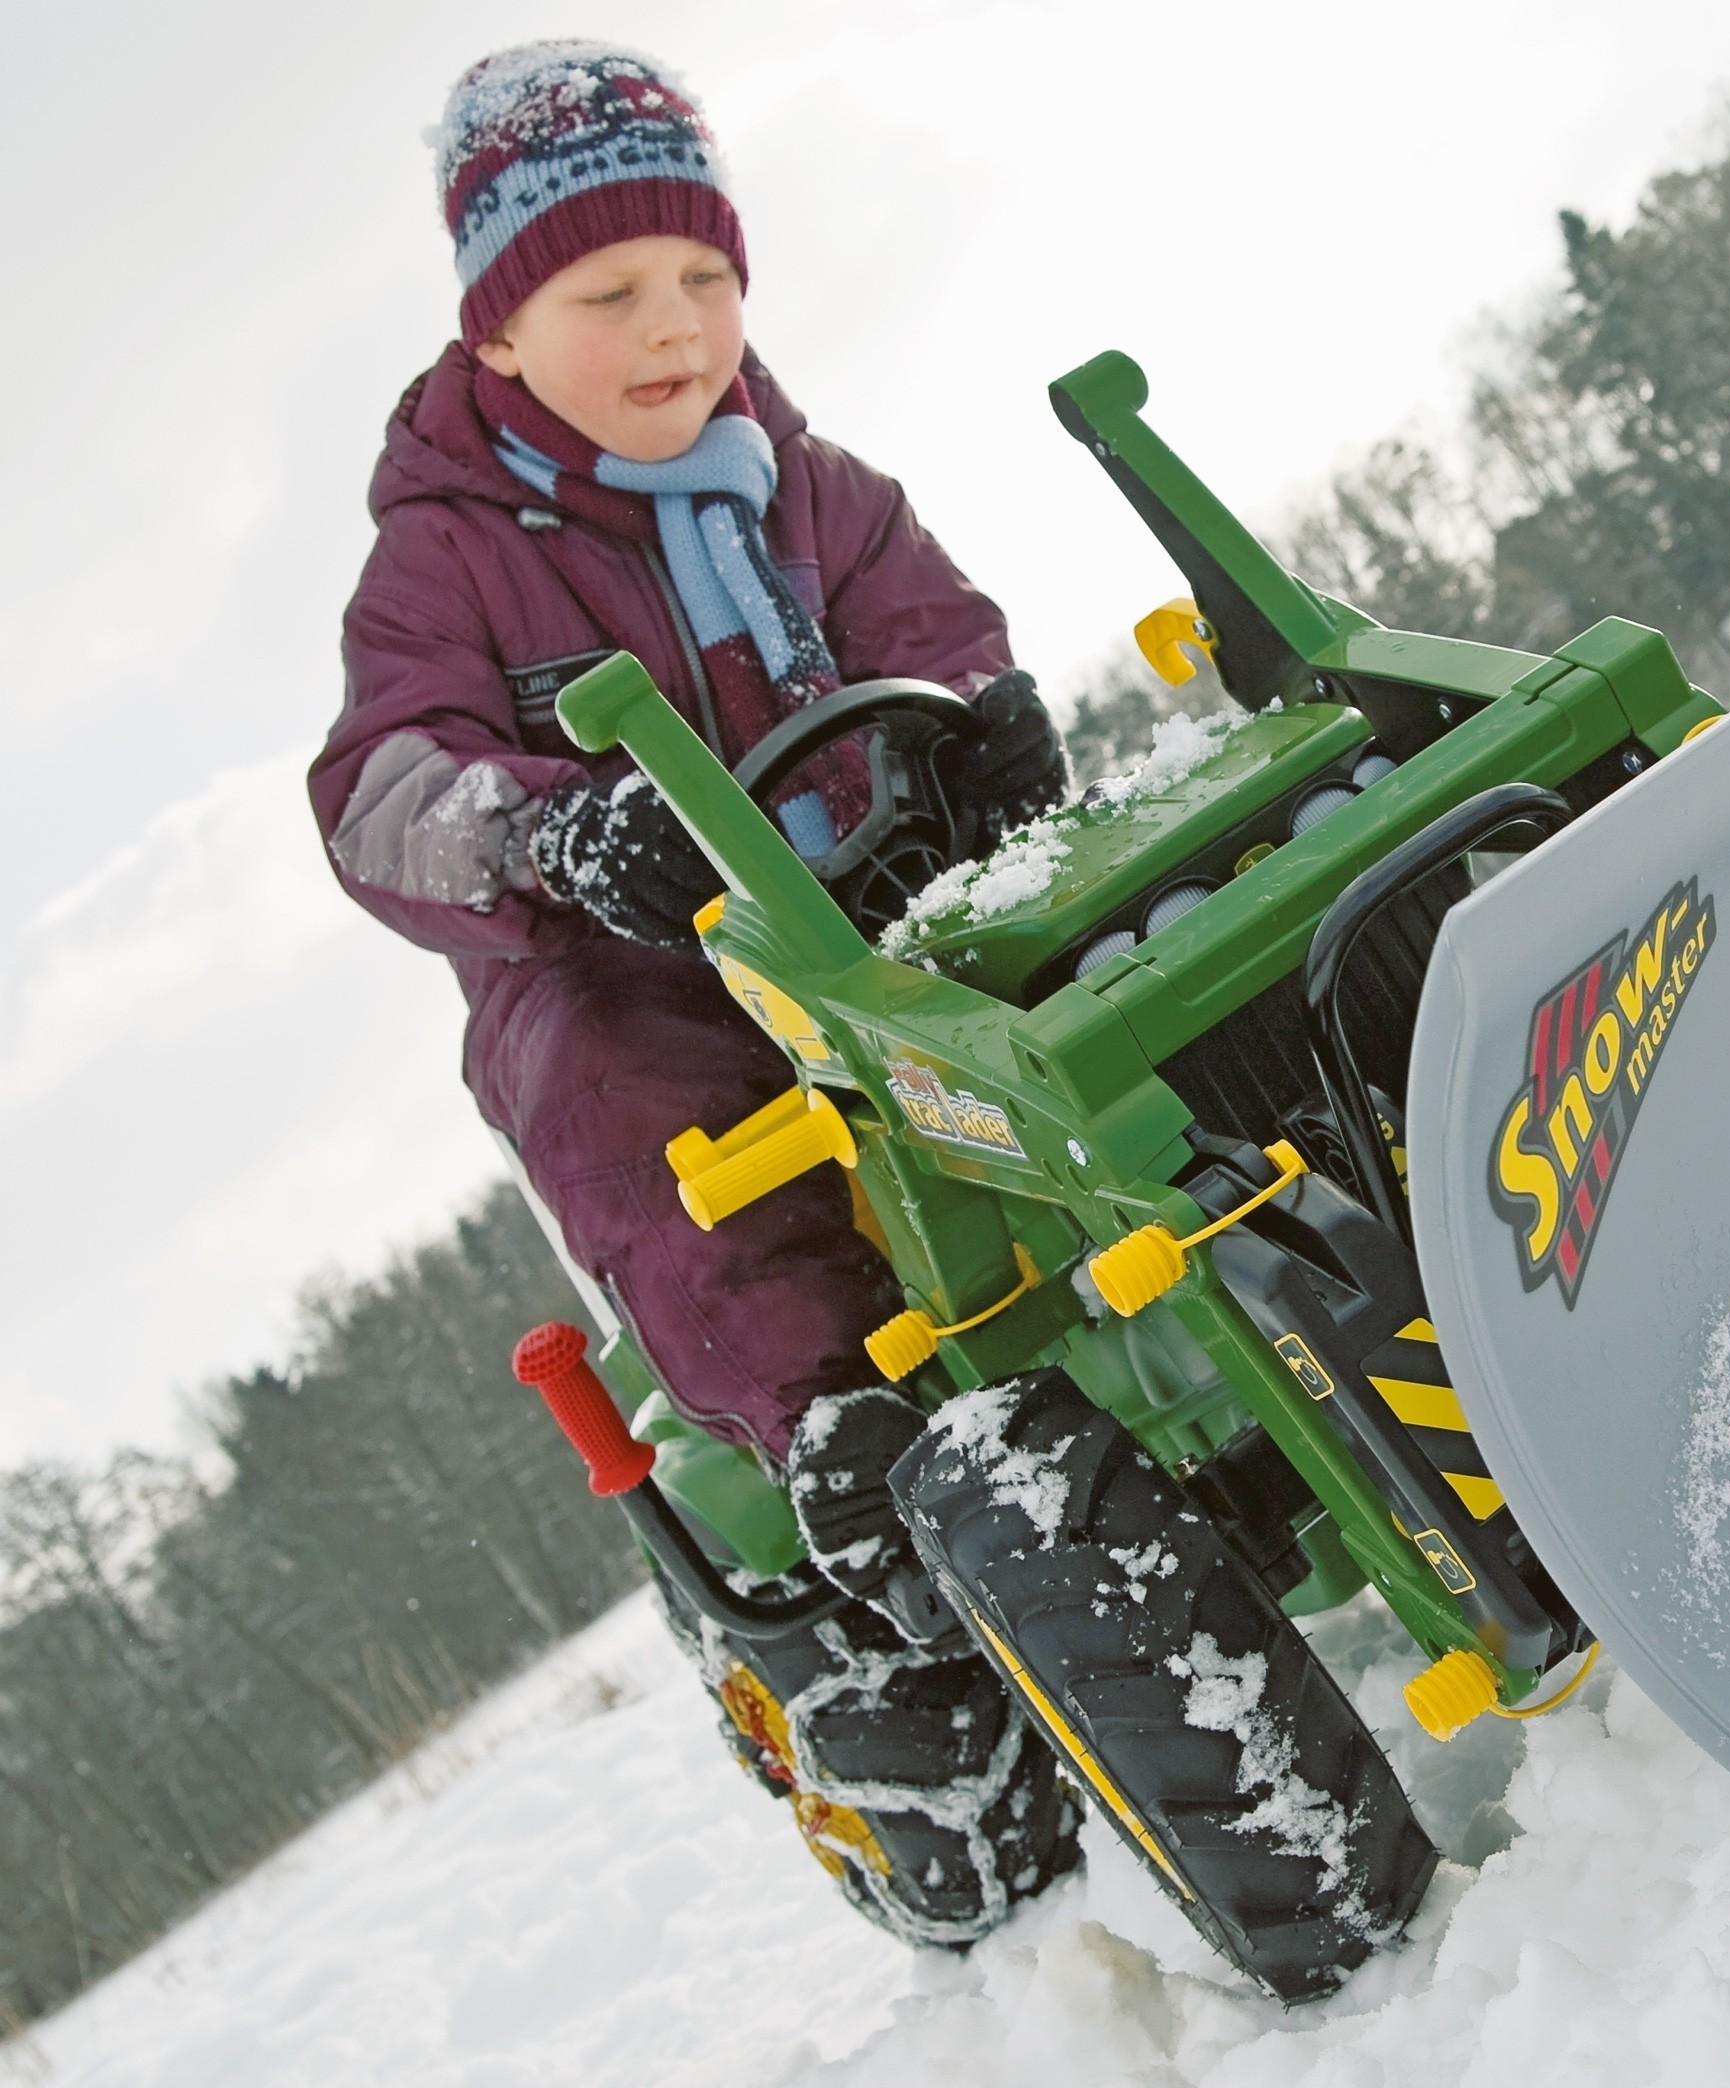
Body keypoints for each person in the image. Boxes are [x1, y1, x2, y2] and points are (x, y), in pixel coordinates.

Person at [309, 41, 1078, 1942]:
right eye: (608, 294)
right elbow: (379, 792)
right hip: (628, 956)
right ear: (498, 333)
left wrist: (986, 729)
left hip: (869, 911)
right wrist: (546, 840)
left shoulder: (810, 490)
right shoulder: (442, 562)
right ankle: (827, 1423)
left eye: (705, 280)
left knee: (1069, 934)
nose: (674, 329)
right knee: (629, 1095)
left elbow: (934, 636)